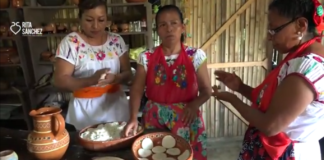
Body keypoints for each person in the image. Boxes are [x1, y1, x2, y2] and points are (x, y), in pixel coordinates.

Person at [212, 0, 324, 159]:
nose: (269, 37)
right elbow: (274, 105)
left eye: (274, 29)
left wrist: (233, 100)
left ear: (300, 25)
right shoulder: (299, 59)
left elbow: (270, 125)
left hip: (286, 153)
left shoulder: (307, 68)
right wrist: (240, 87)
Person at [123, 5, 211, 160]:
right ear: (158, 30)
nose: (169, 28)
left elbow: (206, 90)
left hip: (186, 118)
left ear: (182, 27)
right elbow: (136, 90)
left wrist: (194, 105)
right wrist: (132, 117)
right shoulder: (146, 57)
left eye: (174, 23)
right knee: (155, 155)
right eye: (163, 25)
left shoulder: (195, 56)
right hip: (154, 118)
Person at [53, 0, 132, 130]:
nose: (95, 26)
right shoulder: (71, 42)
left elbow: (128, 74)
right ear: (80, 19)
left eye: (101, 20)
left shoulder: (116, 41)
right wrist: (91, 80)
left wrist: (116, 79)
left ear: (107, 20)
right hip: (84, 111)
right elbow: (60, 80)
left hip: (116, 106)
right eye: (89, 20)